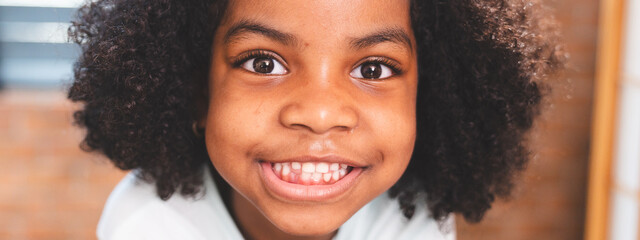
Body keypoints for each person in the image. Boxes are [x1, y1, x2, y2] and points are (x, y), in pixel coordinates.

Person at [68, 0, 563, 239]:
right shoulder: (149, 224)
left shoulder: (410, 220)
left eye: (374, 69)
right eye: (263, 63)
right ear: (197, 92)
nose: (320, 113)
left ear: (429, 98)